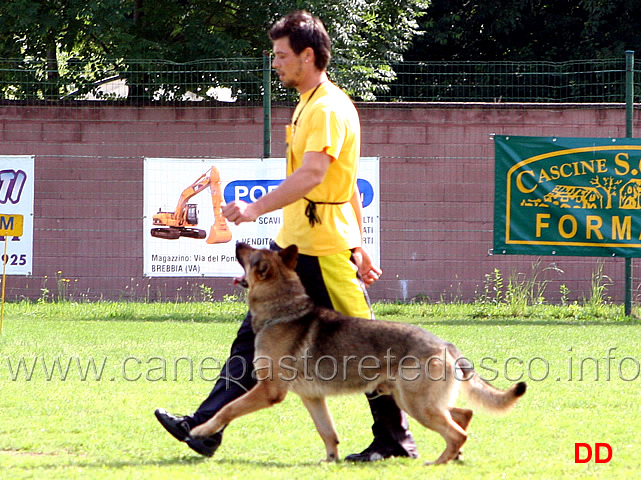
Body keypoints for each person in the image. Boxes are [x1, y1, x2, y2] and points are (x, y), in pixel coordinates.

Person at [154, 10, 418, 462]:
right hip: (297, 246)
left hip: (326, 250)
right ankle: (204, 428)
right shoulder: (308, 103)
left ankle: (395, 443)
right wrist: (359, 241)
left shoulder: (329, 108)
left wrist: (259, 209)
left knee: (374, 347)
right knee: (252, 338)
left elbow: (318, 174)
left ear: (308, 55)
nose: (274, 63)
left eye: (281, 55)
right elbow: (347, 182)